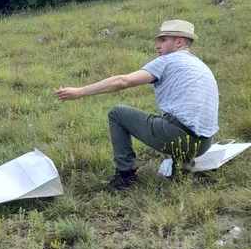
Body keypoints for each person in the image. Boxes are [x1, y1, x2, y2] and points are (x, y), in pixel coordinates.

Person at [55, 19, 219, 189]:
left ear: (179, 41)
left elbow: (122, 81)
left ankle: (125, 175)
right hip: (204, 144)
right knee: (173, 117)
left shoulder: (168, 61)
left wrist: (79, 92)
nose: (157, 45)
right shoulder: (200, 65)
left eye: (163, 40)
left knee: (117, 113)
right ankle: (181, 169)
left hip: (180, 138)